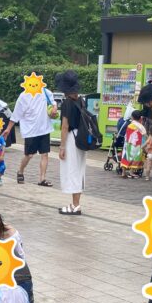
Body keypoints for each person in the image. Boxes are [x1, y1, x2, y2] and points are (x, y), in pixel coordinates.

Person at [3, 81, 56, 186]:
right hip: (30, 130)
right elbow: (16, 114)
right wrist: (8, 129)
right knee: (29, 155)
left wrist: (54, 108)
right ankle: (20, 171)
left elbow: (53, 102)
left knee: (44, 154)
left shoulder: (45, 92)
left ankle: (42, 179)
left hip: (44, 129)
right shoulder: (23, 96)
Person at [56, 70, 86, 216]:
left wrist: (62, 146)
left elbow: (64, 126)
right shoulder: (81, 101)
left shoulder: (67, 103)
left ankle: (76, 206)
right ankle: (76, 203)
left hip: (71, 139)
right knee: (79, 170)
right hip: (80, 138)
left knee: (72, 170)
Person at [120, 111, 146, 179]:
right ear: (140, 118)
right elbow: (144, 136)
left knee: (126, 157)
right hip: (137, 146)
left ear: (132, 117)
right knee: (135, 158)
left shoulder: (129, 125)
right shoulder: (141, 127)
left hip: (128, 144)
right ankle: (131, 172)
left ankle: (123, 172)